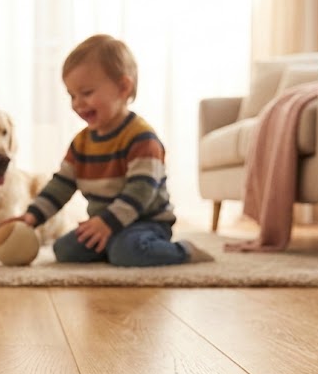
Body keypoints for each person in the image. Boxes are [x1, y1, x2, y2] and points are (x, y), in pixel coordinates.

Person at [14, 34, 211, 266]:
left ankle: (183, 251)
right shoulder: (81, 143)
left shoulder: (142, 138)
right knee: (64, 249)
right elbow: (61, 184)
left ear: (123, 88)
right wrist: (32, 216)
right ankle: (111, 245)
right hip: (104, 222)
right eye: (72, 95)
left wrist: (108, 223)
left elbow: (141, 191)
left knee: (127, 251)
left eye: (86, 93)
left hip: (145, 222)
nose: (77, 103)